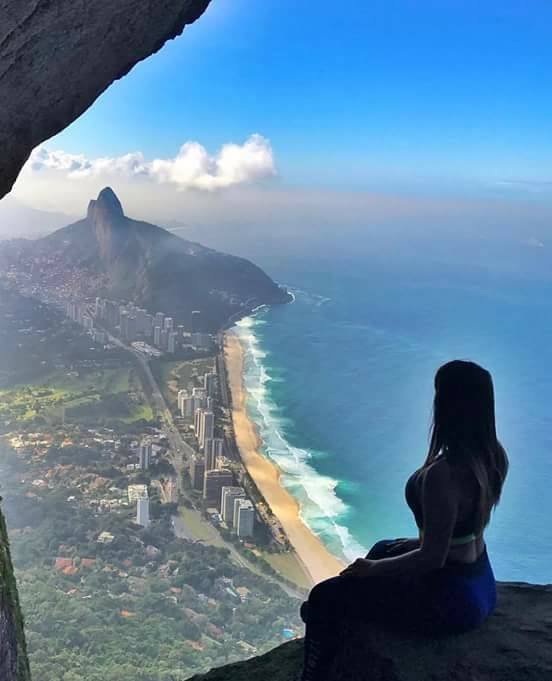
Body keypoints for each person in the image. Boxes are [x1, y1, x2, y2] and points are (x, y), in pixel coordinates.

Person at [300, 360, 508, 681]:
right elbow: (463, 533)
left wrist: (372, 570)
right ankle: (346, 618)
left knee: (322, 598)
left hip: (450, 599)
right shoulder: (493, 456)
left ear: (449, 405)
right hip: (479, 581)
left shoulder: (443, 474)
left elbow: (432, 558)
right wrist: (408, 547)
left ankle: (315, 673)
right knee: (384, 548)